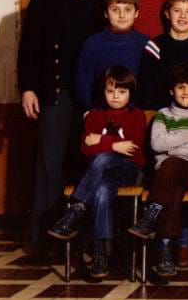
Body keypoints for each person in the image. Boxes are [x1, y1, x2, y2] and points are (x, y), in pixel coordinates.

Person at [18, 0, 107, 252]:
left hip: (96, 95)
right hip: (55, 91)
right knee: (50, 163)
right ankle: (44, 242)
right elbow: (29, 48)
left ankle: (92, 242)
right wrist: (28, 88)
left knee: (91, 162)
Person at [48, 66, 146, 278]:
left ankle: (77, 209)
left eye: (122, 91)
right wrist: (114, 145)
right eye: (110, 91)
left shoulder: (137, 115)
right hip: (99, 177)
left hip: (128, 170)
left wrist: (101, 141)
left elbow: (133, 148)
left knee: (102, 157)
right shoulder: (94, 115)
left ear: (130, 93)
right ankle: (101, 254)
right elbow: (85, 149)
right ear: (103, 91)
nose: (115, 96)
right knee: (101, 190)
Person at [127, 62, 188, 277]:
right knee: (173, 189)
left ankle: (151, 216)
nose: (186, 92)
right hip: (167, 177)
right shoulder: (163, 114)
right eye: (181, 87)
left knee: (172, 163)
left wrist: (172, 148)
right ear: (171, 90)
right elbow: (157, 144)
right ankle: (165, 251)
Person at [75, 0, 149, 113]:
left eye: (128, 10)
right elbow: (84, 81)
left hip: (135, 114)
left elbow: (149, 84)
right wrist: (87, 110)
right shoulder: (93, 43)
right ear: (105, 13)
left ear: (136, 13)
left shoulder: (146, 43)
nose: (122, 15)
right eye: (115, 10)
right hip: (100, 112)